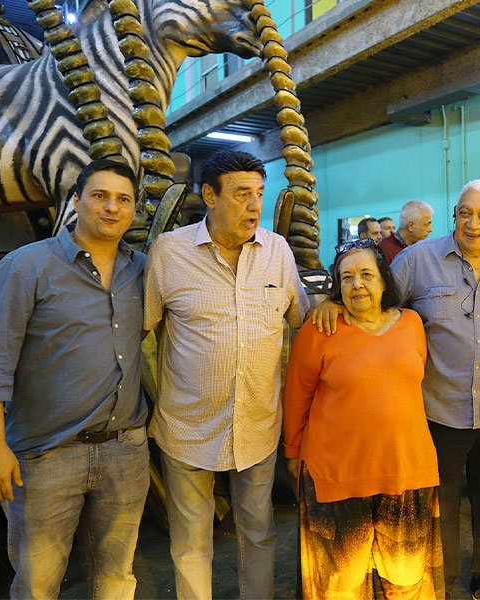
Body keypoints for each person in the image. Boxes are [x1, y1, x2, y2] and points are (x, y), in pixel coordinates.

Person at [314, 179, 480, 599]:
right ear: (454, 214)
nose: (473, 224)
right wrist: (335, 301)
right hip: (438, 414)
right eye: (465, 213)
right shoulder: (416, 260)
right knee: (438, 508)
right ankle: (441, 585)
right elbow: (374, 302)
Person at [0, 159, 150, 599]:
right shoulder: (25, 267)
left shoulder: (143, 270)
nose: (112, 207)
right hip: (45, 457)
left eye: (123, 199)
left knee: (117, 578)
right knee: (37, 585)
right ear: (76, 201)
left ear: (133, 209)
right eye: (100, 196)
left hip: (125, 450)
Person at [144, 149, 309, 599]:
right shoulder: (169, 253)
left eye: (259, 193)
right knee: (191, 542)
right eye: (241, 194)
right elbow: (141, 329)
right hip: (188, 426)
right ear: (209, 196)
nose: (254, 206)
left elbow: (301, 321)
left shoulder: (277, 251)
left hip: (256, 423)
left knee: (259, 533)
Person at [283, 239, 443, 599]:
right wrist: (292, 453)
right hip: (335, 474)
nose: (357, 284)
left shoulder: (412, 324)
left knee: (406, 582)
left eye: (367, 275)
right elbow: (296, 396)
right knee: (338, 585)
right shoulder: (320, 330)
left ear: (384, 281)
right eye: (347, 277)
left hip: (406, 470)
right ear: (337, 287)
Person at [378, 199, 434, 263]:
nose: (430, 229)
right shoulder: (383, 251)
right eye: (427, 224)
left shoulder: (421, 248)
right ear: (411, 226)